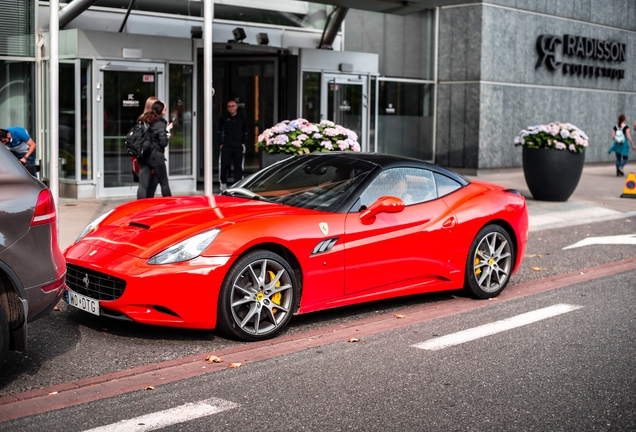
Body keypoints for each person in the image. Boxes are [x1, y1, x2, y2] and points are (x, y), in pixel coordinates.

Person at [137, 101, 172, 199]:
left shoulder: (144, 120)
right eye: (165, 110)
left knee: (143, 184)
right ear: (162, 111)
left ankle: (140, 208)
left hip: (143, 155)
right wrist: (168, 132)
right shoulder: (160, 123)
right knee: (164, 183)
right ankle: (169, 205)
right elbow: (163, 143)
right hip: (155, 156)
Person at [217, 100, 247, 191]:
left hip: (238, 145)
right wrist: (220, 143)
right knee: (224, 164)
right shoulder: (223, 118)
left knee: (238, 166)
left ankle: (238, 184)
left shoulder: (242, 118)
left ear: (236, 107)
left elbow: (245, 131)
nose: (231, 108)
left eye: (233, 106)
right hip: (226, 145)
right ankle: (223, 183)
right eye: (229, 106)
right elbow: (218, 131)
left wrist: (243, 143)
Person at [134, 97, 160, 198]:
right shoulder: (153, 120)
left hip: (142, 154)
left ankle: (141, 206)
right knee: (152, 182)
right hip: (151, 155)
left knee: (143, 184)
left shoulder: (141, 118)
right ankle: (146, 206)